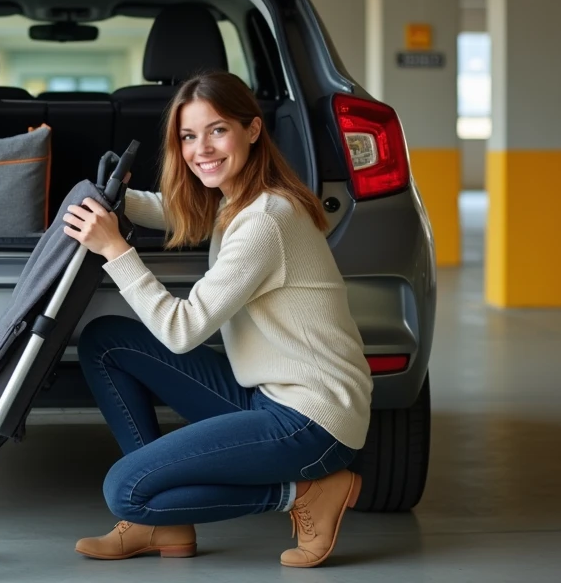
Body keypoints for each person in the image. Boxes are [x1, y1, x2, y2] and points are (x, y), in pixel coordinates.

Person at [61, 71, 373, 567]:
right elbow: (178, 208)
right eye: (188, 136)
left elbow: (181, 332)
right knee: (107, 342)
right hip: (268, 395)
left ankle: (305, 491)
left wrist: (114, 248)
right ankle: (163, 528)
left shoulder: (266, 219)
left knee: (125, 489)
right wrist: (106, 200)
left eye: (216, 131)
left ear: (252, 130)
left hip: (312, 419)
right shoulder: (238, 198)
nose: (201, 148)